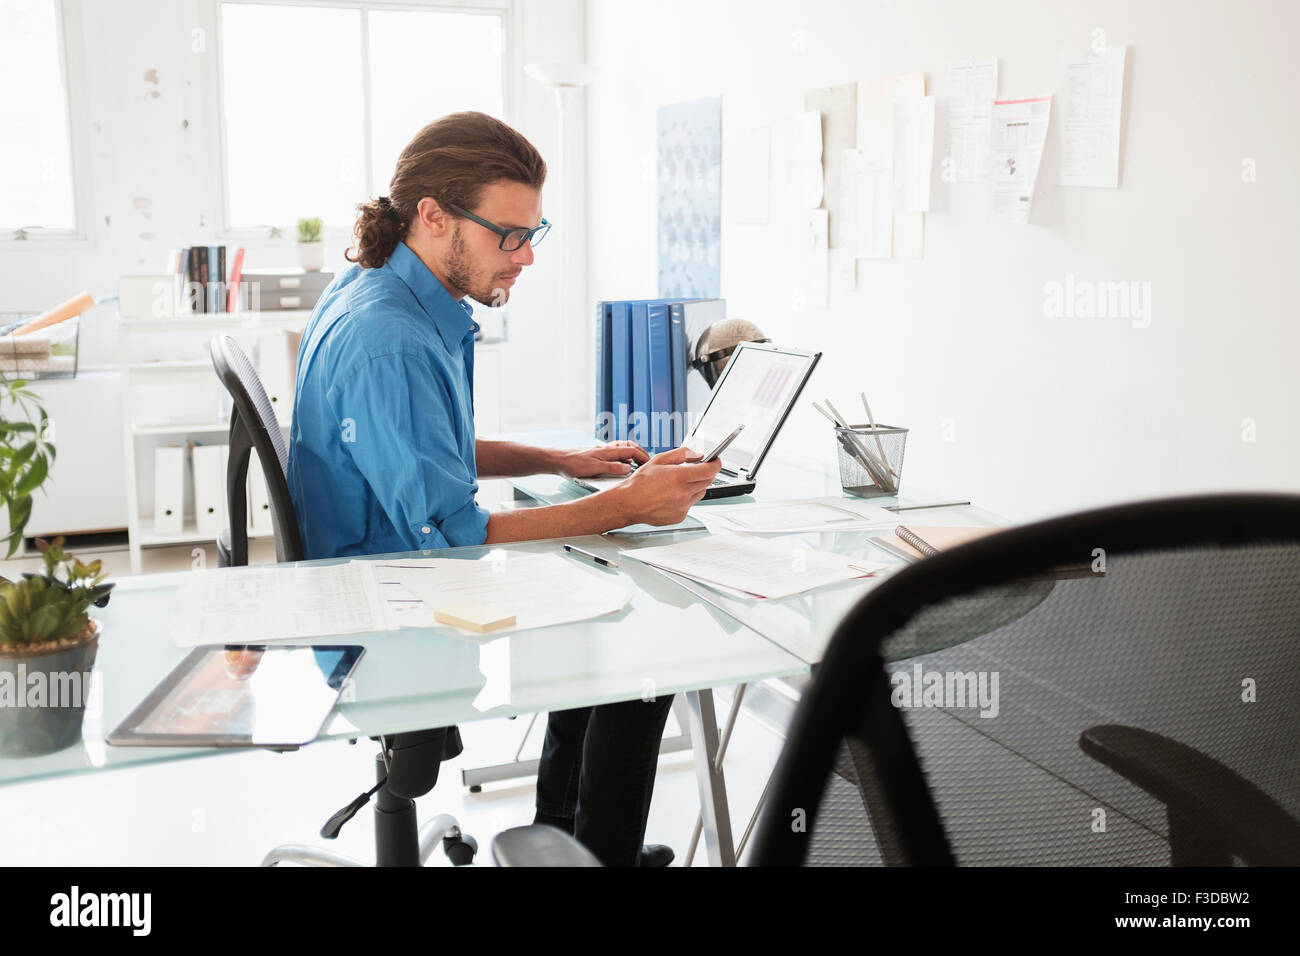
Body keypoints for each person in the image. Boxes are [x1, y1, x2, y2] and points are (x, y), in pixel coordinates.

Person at [286, 111, 721, 866]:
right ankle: (590, 853)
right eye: (508, 234)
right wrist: (627, 505)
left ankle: (561, 841)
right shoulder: (387, 338)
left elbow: (429, 453)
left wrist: (564, 461)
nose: (524, 256)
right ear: (432, 216)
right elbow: (454, 534)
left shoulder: (385, 291)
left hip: (381, 575)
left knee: (601, 606)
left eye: (532, 233)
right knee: (645, 656)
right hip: (388, 620)